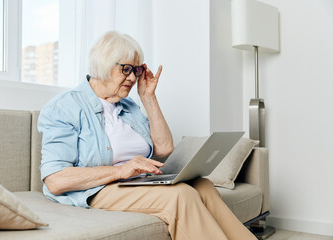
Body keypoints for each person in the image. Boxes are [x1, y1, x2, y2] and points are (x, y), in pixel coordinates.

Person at [38, 31, 257, 240]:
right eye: (126, 69)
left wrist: (149, 98)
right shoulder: (65, 107)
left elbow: (163, 149)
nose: (133, 77)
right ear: (103, 65)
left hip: (137, 182)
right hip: (97, 189)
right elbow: (56, 180)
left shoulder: (129, 106)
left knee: (203, 185)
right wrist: (121, 170)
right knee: (181, 195)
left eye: (136, 70)